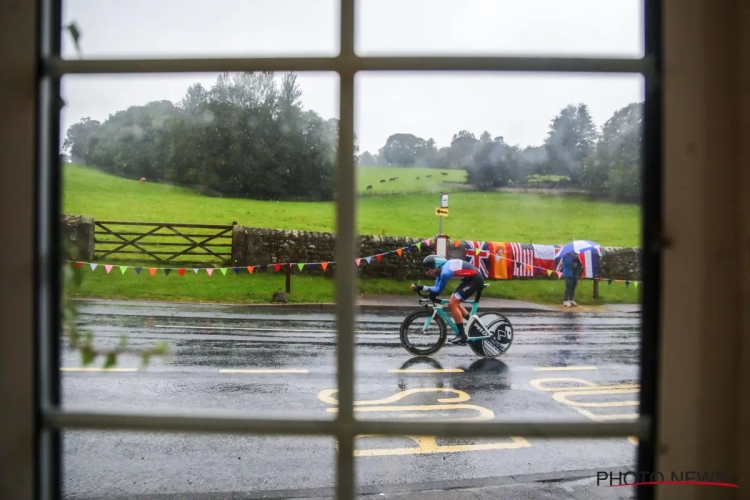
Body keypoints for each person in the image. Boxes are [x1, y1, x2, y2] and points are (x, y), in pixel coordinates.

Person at [410, 255, 484, 345]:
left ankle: (462, 335)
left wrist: (422, 287)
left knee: (453, 304)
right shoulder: (439, 272)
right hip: (470, 279)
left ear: (435, 267)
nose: (426, 273)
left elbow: (438, 290)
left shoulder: (445, 273)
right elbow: (436, 288)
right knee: (453, 301)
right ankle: (473, 323)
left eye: (427, 269)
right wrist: (423, 288)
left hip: (476, 279)